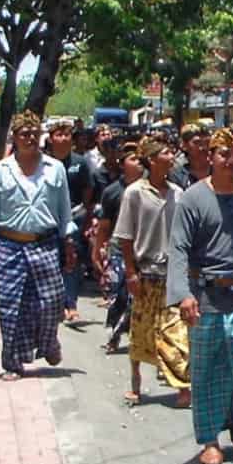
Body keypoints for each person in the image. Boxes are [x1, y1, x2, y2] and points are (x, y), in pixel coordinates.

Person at [167, 128, 233, 464]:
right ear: (210, 156)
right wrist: (183, 295)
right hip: (205, 295)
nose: (232, 160)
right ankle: (210, 438)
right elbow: (179, 249)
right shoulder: (192, 199)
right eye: (225, 153)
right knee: (207, 369)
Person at [0, 110, 78, 380]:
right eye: (25, 134)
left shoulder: (55, 168)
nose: (30, 138)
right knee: (11, 306)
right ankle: (12, 363)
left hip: (45, 244)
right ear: (15, 137)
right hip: (9, 245)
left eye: (35, 133)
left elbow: (64, 211)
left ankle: (49, 343)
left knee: (51, 301)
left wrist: (69, 242)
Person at [115, 135, 190, 407]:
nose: (172, 158)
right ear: (151, 159)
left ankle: (183, 386)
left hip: (172, 275)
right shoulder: (134, 192)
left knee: (176, 332)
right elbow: (125, 236)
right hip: (144, 273)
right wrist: (130, 272)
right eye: (166, 153)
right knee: (141, 332)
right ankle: (136, 385)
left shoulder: (178, 193)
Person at [96, 142, 144, 353]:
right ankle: (113, 333)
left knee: (137, 297)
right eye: (133, 159)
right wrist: (97, 249)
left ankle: (137, 335)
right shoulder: (112, 191)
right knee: (119, 295)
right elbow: (104, 225)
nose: (138, 163)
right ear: (122, 163)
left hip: (144, 250)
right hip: (118, 250)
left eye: (140, 159)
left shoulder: (151, 189)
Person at [47, 120, 94, 324]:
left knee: (72, 262)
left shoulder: (80, 163)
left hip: (74, 217)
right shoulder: (44, 163)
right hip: (49, 219)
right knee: (51, 262)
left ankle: (71, 304)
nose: (63, 138)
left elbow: (88, 193)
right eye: (59, 135)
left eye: (67, 134)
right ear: (51, 139)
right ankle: (56, 304)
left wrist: (86, 219)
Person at [169, 124, 211, 189]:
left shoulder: (219, 168)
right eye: (197, 142)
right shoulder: (175, 172)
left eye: (207, 142)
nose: (203, 147)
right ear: (184, 145)